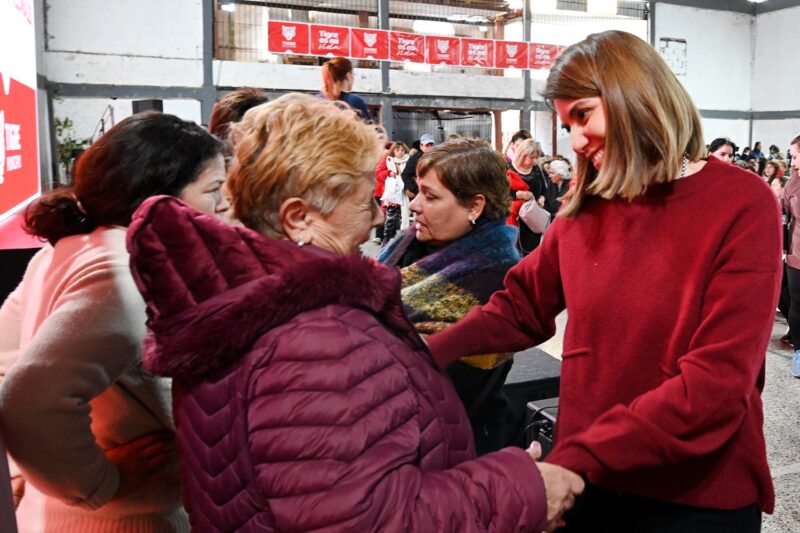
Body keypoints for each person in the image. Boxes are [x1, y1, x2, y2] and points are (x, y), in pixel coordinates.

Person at [125, 93, 583, 532]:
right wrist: (519, 490)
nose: (377, 219)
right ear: (299, 217)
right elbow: (365, 518)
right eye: (364, 201)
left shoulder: (256, 301)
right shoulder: (315, 339)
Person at [426, 30, 780, 532]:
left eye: (584, 115)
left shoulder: (741, 203)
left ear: (634, 97)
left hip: (691, 495)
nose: (574, 141)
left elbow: (716, 385)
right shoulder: (587, 205)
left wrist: (574, 457)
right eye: (566, 124)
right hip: (587, 479)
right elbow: (522, 306)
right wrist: (427, 350)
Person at [0, 112, 232, 532]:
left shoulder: (67, 249)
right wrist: (99, 482)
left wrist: (28, 477)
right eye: (213, 190)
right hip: (127, 519)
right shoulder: (126, 276)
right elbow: (27, 402)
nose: (222, 206)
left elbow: (5, 356)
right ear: (158, 196)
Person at [377, 139, 522, 455]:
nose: (414, 205)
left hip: (450, 444)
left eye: (430, 197)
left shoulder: (496, 277)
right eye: (418, 192)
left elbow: (442, 385)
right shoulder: (408, 244)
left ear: (474, 207)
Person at [781, 134, 800, 376]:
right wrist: (783, 249)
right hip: (796, 254)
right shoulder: (793, 182)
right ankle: (799, 352)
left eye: (795, 157)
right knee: (796, 303)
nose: (792, 162)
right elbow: (783, 214)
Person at [319, 56, 371, 123]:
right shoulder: (355, 102)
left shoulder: (317, 101)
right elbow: (369, 128)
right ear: (348, 75)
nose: (353, 78)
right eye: (353, 74)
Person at [380, 141, 410, 245]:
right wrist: (388, 173)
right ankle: (386, 241)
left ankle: (400, 241)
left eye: (402, 150)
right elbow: (379, 174)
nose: (400, 152)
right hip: (393, 194)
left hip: (405, 193)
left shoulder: (409, 160)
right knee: (391, 219)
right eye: (397, 150)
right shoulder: (388, 160)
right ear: (393, 151)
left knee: (402, 217)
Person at [401, 133, 435, 199]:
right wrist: (416, 190)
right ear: (421, 146)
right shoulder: (416, 158)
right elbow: (405, 175)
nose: (430, 148)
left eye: (431, 145)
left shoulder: (435, 157)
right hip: (423, 193)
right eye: (427, 145)